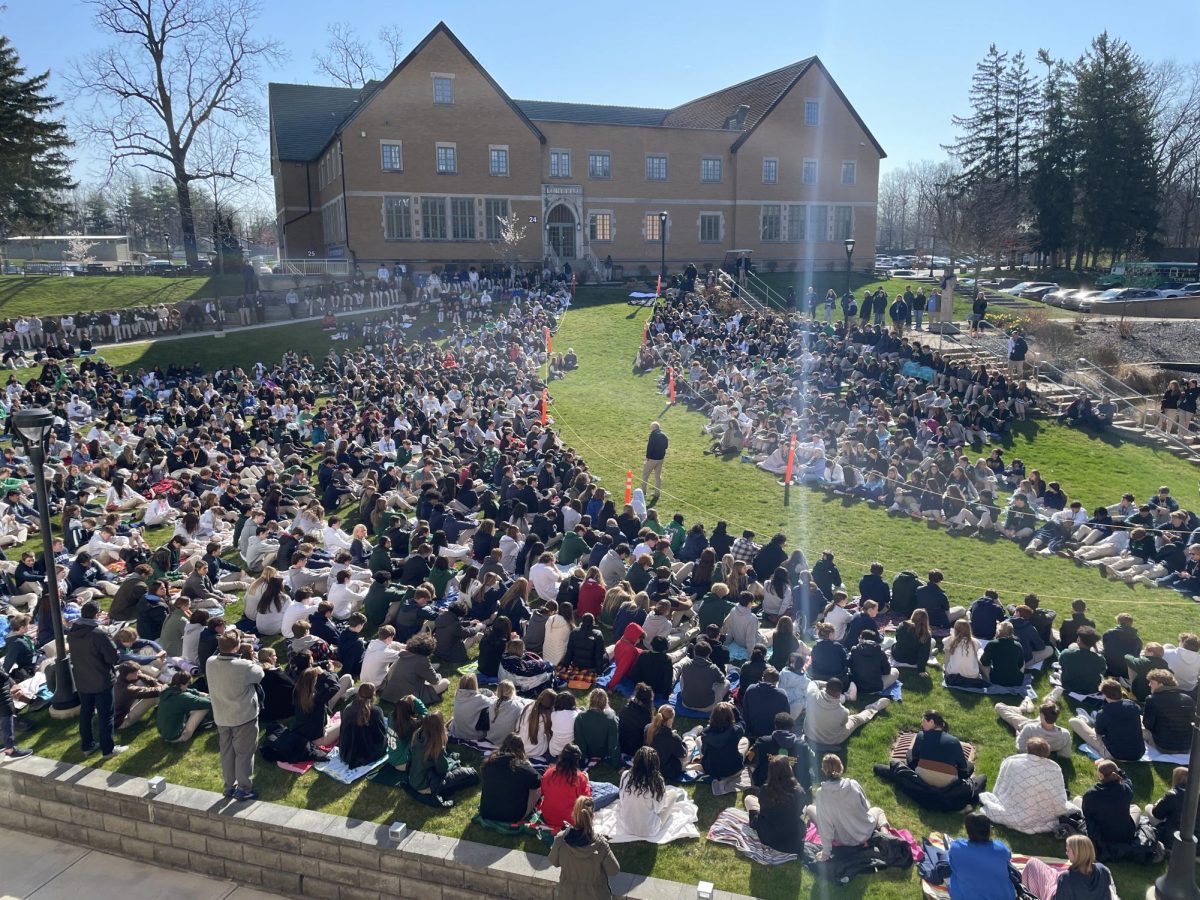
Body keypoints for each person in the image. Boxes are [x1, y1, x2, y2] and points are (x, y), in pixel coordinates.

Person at [873, 710, 984, 812]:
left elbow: (914, 757)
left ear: (931, 722)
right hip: (948, 784)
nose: (921, 724)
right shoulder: (954, 741)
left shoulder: (921, 736)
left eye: (923, 721)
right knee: (971, 768)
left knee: (909, 754)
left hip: (922, 778)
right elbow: (963, 768)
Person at [206, 630, 264, 801]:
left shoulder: (210, 662)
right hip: (243, 716)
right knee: (244, 753)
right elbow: (260, 674)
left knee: (227, 752)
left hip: (222, 716)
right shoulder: (243, 666)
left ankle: (229, 786)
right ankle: (244, 788)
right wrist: (249, 657)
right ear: (237, 646)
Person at [599, 746, 698, 842]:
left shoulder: (625, 775)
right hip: (650, 830)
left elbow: (622, 798)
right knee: (673, 795)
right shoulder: (657, 781)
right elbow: (659, 808)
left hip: (626, 825)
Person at [67, 600, 126, 759]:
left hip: (82, 680)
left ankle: (87, 746)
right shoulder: (98, 633)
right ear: (96, 614)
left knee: (86, 714)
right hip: (101, 680)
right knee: (106, 715)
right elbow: (113, 657)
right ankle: (108, 750)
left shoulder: (73, 631)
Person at [978, 737, 1076, 833]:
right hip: (1042, 814)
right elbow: (1058, 794)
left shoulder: (1012, 762)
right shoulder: (1054, 768)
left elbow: (1002, 784)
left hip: (1014, 809)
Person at [807, 754, 888, 856]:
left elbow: (825, 825)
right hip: (865, 832)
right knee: (878, 810)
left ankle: (886, 838)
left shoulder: (821, 793)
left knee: (810, 808)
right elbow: (866, 808)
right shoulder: (853, 784)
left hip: (842, 839)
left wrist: (826, 851)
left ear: (823, 770)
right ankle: (886, 837)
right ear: (841, 767)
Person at [548, 796, 620, 900]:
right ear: (592, 816)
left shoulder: (561, 839)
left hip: (567, 895)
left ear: (574, 814)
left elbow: (553, 861)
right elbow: (614, 870)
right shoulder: (601, 844)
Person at [407, 710, 479, 807]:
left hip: (413, 779)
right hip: (426, 785)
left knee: (454, 756)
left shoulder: (417, 734)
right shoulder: (435, 745)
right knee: (472, 774)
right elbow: (443, 769)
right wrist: (454, 763)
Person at [804, 677, 889, 752]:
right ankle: (874, 708)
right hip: (832, 740)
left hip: (809, 734)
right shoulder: (843, 712)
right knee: (856, 719)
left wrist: (827, 685)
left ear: (826, 688)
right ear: (839, 693)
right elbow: (843, 724)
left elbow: (814, 682)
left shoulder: (812, 694)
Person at [744, 754, 807, 854]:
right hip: (792, 837)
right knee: (806, 809)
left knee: (749, 799)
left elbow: (763, 809)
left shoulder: (765, 789)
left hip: (768, 836)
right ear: (788, 770)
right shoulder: (799, 791)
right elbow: (801, 809)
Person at [947, 812, 1015, 900]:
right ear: (989, 830)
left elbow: (952, 865)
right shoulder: (1001, 849)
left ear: (968, 830)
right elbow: (1007, 859)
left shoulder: (956, 847)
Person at [1022, 835, 1113, 900]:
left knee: (1032, 864)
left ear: (1077, 854)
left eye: (1068, 851)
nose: (1066, 853)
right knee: (1052, 873)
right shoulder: (1103, 870)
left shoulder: (1067, 878)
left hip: (1057, 892)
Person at [478, 733, 542, 823]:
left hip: (487, 812)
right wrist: (528, 765)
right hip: (513, 816)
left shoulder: (488, 763)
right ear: (521, 749)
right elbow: (538, 782)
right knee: (538, 788)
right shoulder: (521, 766)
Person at [539, 742, 592, 831]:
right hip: (570, 820)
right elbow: (586, 799)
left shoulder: (548, 773)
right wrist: (587, 782)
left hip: (548, 816)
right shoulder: (579, 778)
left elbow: (543, 791)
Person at [338, 682, 387, 768]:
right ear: (373, 696)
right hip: (369, 754)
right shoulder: (377, 712)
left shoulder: (348, 709)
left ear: (358, 694)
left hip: (346, 753)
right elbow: (381, 735)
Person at [1143, 669, 1194, 752]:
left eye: (1152, 683)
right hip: (1186, 746)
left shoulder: (1152, 699)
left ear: (1161, 684)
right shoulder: (1187, 698)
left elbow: (1147, 724)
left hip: (1164, 746)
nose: (1149, 685)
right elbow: (1192, 720)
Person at [155, 671, 212, 743]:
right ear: (182, 684)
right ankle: (205, 723)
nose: (189, 685)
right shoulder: (183, 697)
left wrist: (199, 693)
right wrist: (210, 696)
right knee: (203, 707)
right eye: (188, 683)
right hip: (177, 737)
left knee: (192, 706)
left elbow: (185, 690)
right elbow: (209, 703)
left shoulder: (167, 691)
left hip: (164, 734)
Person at [676, 640, 729, 713]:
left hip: (686, 703)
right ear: (708, 654)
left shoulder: (686, 665)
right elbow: (722, 680)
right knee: (727, 683)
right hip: (706, 707)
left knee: (682, 676)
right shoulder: (713, 668)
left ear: (694, 652)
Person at [574, 688, 621, 767]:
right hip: (604, 753)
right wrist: (616, 763)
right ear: (605, 702)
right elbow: (613, 744)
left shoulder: (581, 717)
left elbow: (580, 741)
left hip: (587, 753)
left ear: (590, 700)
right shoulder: (611, 717)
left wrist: (582, 759)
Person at [699, 701, 745, 780]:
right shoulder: (736, 730)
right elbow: (742, 723)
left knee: (698, 740)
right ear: (730, 717)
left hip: (712, 770)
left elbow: (704, 752)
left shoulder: (706, 732)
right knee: (745, 741)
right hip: (733, 769)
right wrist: (734, 708)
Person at [741, 666, 791, 738]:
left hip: (753, 733)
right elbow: (786, 717)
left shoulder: (750, 689)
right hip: (773, 736)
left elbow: (745, 713)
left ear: (762, 678)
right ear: (776, 682)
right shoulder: (782, 694)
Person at [1058, 627, 1107, 696]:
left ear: (1079, 640)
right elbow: (1103, 671)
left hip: (1068, 686)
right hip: (1091, 689)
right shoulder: (1100, 659)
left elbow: (1060, 663)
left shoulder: (1066, 653)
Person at [641, 422, 668, 498]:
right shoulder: (664, 435)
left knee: (645, 475)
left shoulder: (653, 435)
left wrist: (647, 457)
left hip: (652, 459)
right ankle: (657, 493)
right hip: (661, 459)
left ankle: (643, 491)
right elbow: (666, 446)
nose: (650, 429)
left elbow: (650, 447)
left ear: (654, 427)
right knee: (658, 477)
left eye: (651, 427)